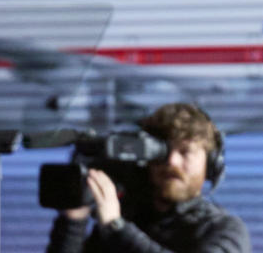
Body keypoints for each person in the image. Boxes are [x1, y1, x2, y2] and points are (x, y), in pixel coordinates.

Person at [45, 103, 251, 253]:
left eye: (185, 152)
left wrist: (117, 228)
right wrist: (73, 222)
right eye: (162, 151)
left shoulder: (224, 230)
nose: (172, 162)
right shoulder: (128, 219)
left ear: (210, 164)